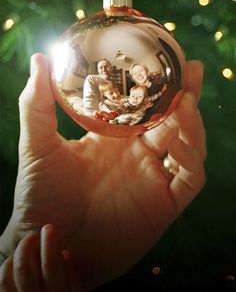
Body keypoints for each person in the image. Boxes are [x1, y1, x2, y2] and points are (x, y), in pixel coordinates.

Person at [0, 53, 206, 291]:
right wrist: (11, 252)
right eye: (103, 67)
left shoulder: (138, 92)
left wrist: (11, 255)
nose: (114, 91)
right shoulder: (95, 86)